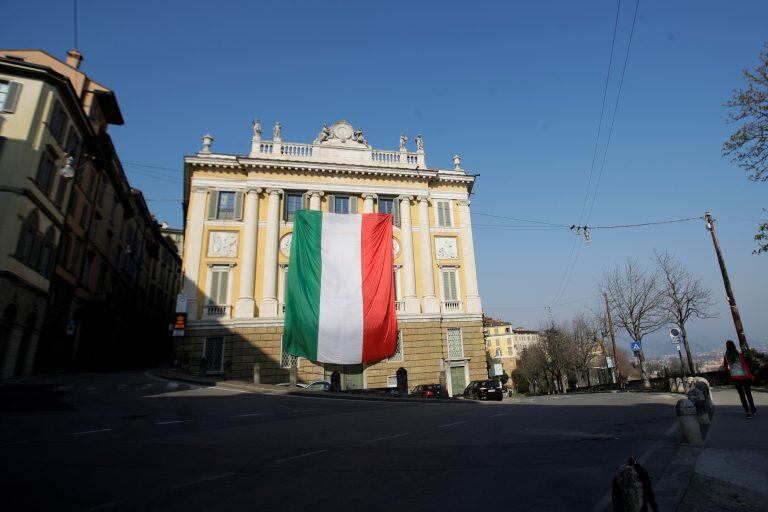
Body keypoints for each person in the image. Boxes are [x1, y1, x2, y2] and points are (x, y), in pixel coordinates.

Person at [723, 339, 757, 418]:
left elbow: (725, 367)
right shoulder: (738, 354)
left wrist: (731, 371)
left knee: (741, 394)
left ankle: (747, 412)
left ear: (727, 347)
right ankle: (752, 409)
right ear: (734, 346)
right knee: (748, 393)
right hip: (744, 376)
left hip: (735, 377)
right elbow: (744, 364)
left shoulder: (726, 356)